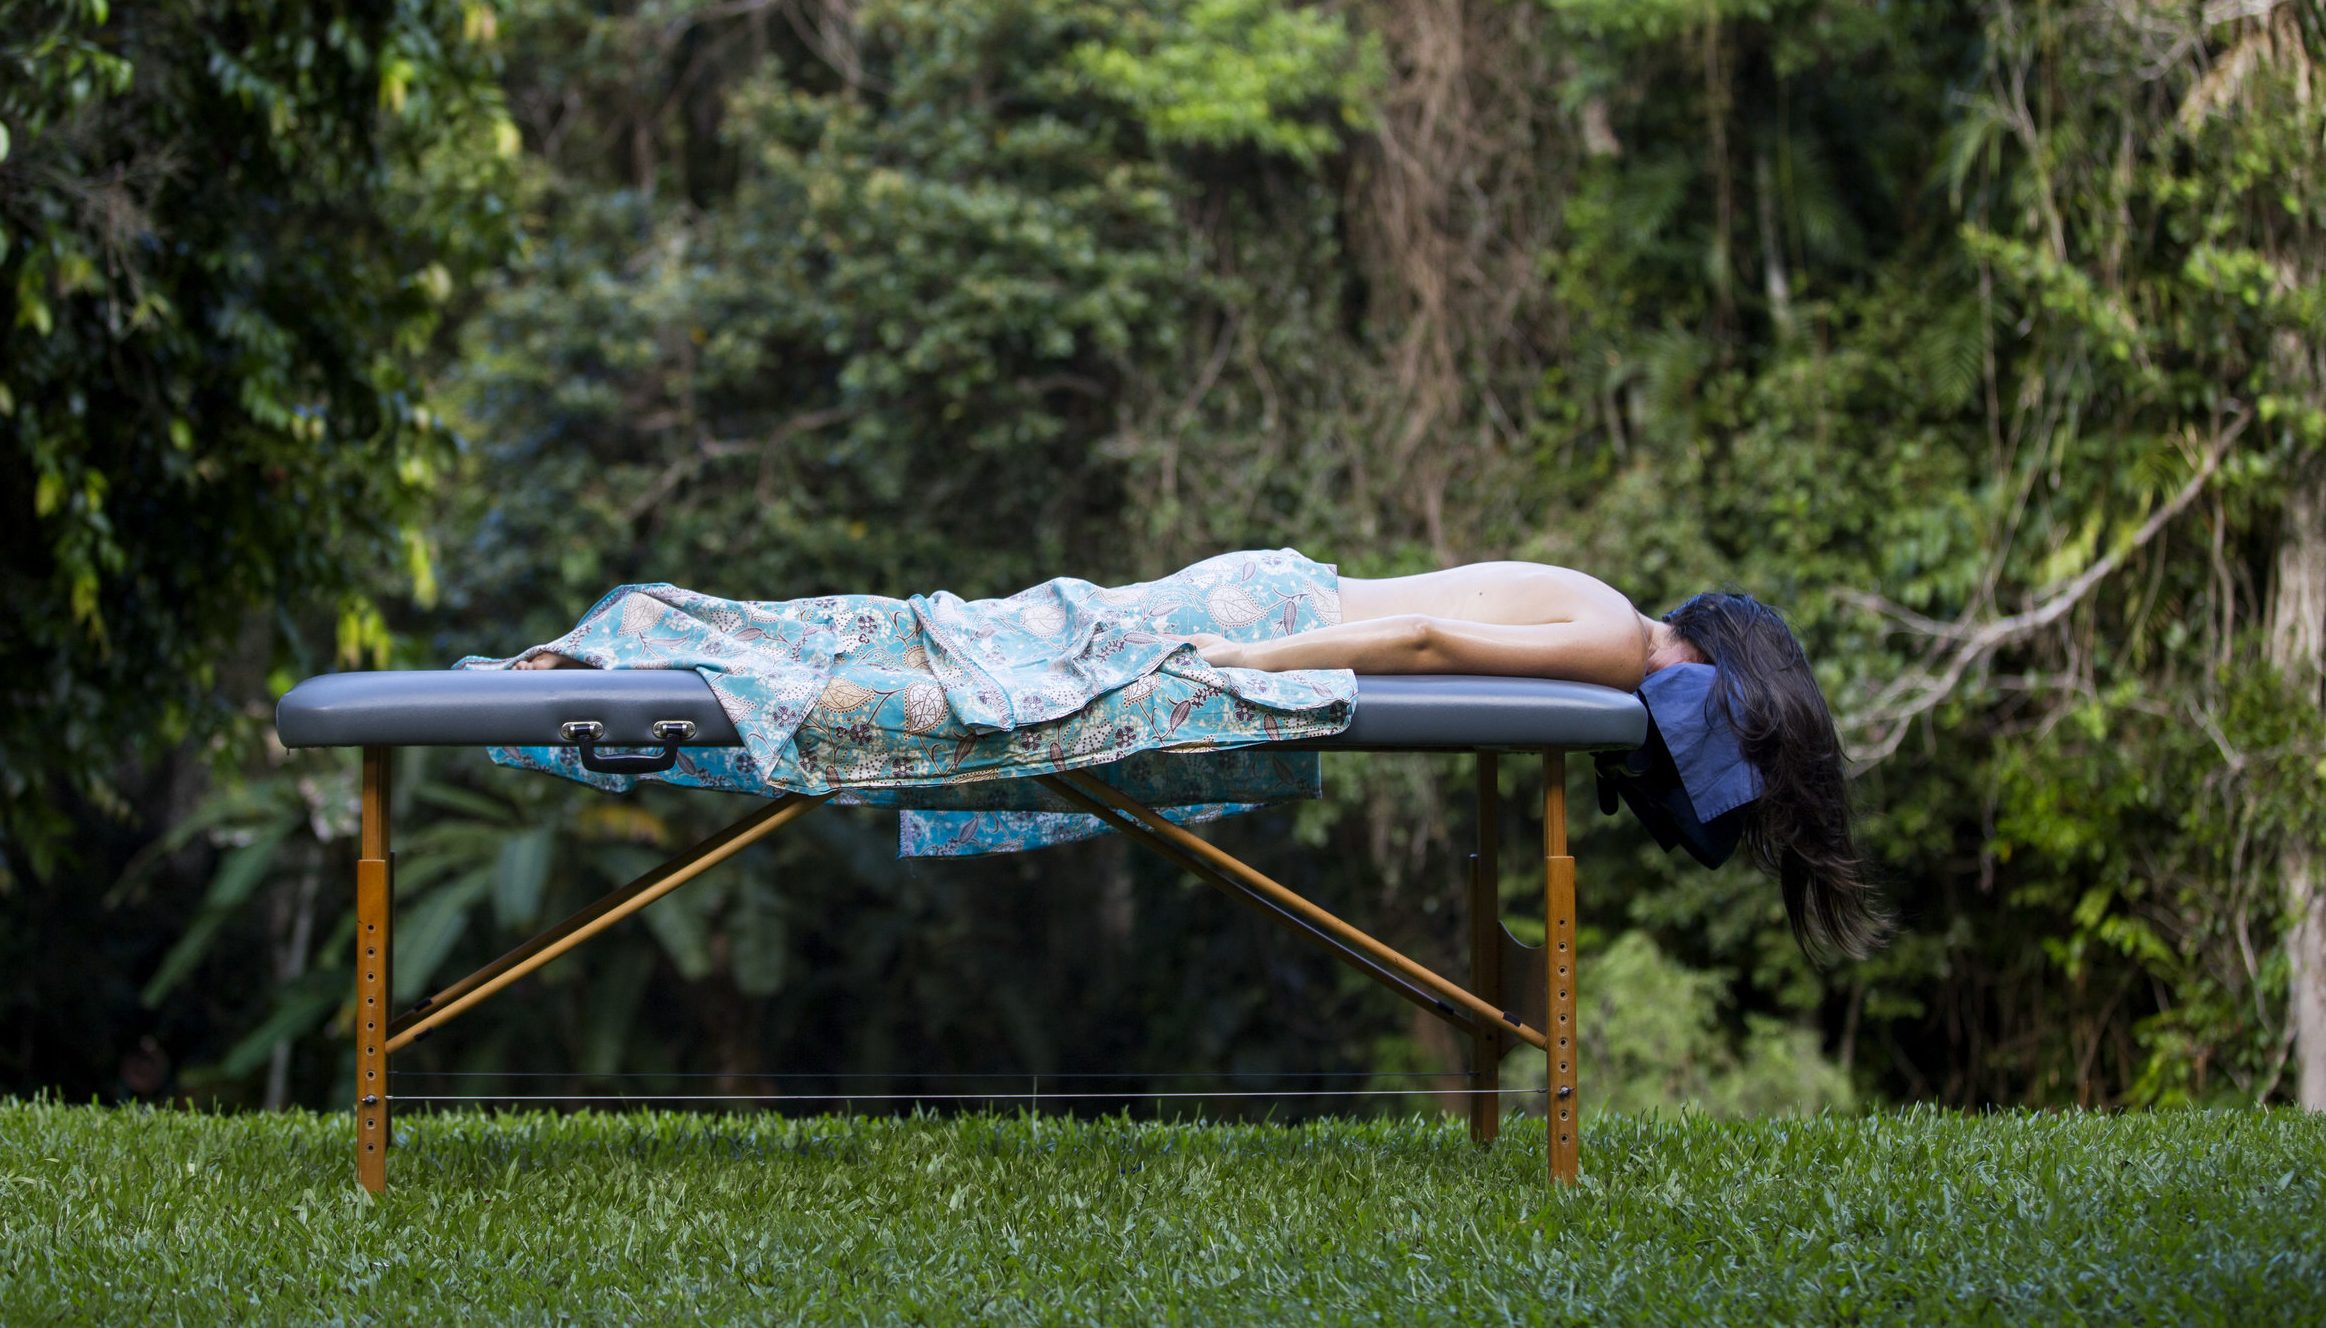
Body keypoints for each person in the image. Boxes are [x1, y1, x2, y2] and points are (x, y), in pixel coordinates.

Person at [520, 558, 1885, 959]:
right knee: (989, 681)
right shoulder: (1609, 646)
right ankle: (664, 654)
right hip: (1271, 624)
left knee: (985, 657)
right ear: (1712, 669)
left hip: (1276, 603)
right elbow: (1408, 636)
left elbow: (1415, 627)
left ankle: (650, 646)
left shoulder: (1601, 612)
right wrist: (1249, 674)